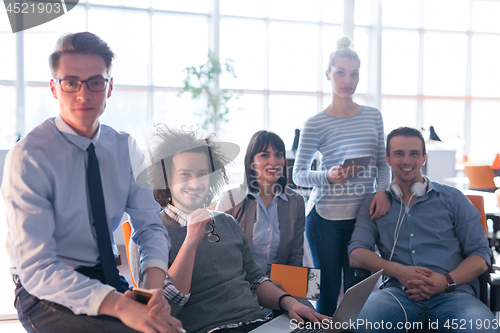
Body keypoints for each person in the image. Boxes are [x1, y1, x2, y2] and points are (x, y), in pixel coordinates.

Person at [1, 32, 183, 333]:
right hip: (46, 288)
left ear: (109, 88)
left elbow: (150, 226)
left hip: (107, 277)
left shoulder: (125, 148)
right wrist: (123, 306)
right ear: (54, 88)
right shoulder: (29, 158)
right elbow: (38, 269)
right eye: (70, 82)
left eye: (95, 82)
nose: (83, 95)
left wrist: (151, 293)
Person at [130, 126, 328, 333]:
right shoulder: (150, 233)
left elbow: (255, 278)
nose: (195, 183)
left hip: (261, 321)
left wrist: (290, 302)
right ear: (166, 178)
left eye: (202, 174)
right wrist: (190, 242)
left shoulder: (227, 221)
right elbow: (162, 310)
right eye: (185, 174)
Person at [348, 127, 495, 332]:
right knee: (361, 324)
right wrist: (398, 270)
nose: (406, 160)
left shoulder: (453, 199)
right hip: (397, 294)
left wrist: (445, 281)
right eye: (399, 153)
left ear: (424, 158)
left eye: (414, 153)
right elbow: (356, 255)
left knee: (482, 328)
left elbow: (481, 255)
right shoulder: (374, 203)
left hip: (454, 294)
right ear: (388, 159)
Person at [292, 36, 391, 315]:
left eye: (354, 74)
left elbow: (382, 164)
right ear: (328, 74)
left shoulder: (373, 116)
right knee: (325, 294)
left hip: (363, 217)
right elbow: (298, 175)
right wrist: (328, 176)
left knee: (357, 295)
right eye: (341, 73)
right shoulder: (314, 123)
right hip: (324, 219)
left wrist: (382, 190)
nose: (348, 80)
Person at [216, 130, 305, 277]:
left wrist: (284, 295)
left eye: (279, 155)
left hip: (279, 286)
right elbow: (221, 256)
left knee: (307, 300)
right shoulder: (230, 199)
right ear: (251, 161)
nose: (274, 162)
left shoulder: (296, 202)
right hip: (240, 285)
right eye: (264, 155)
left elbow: (295, 257)